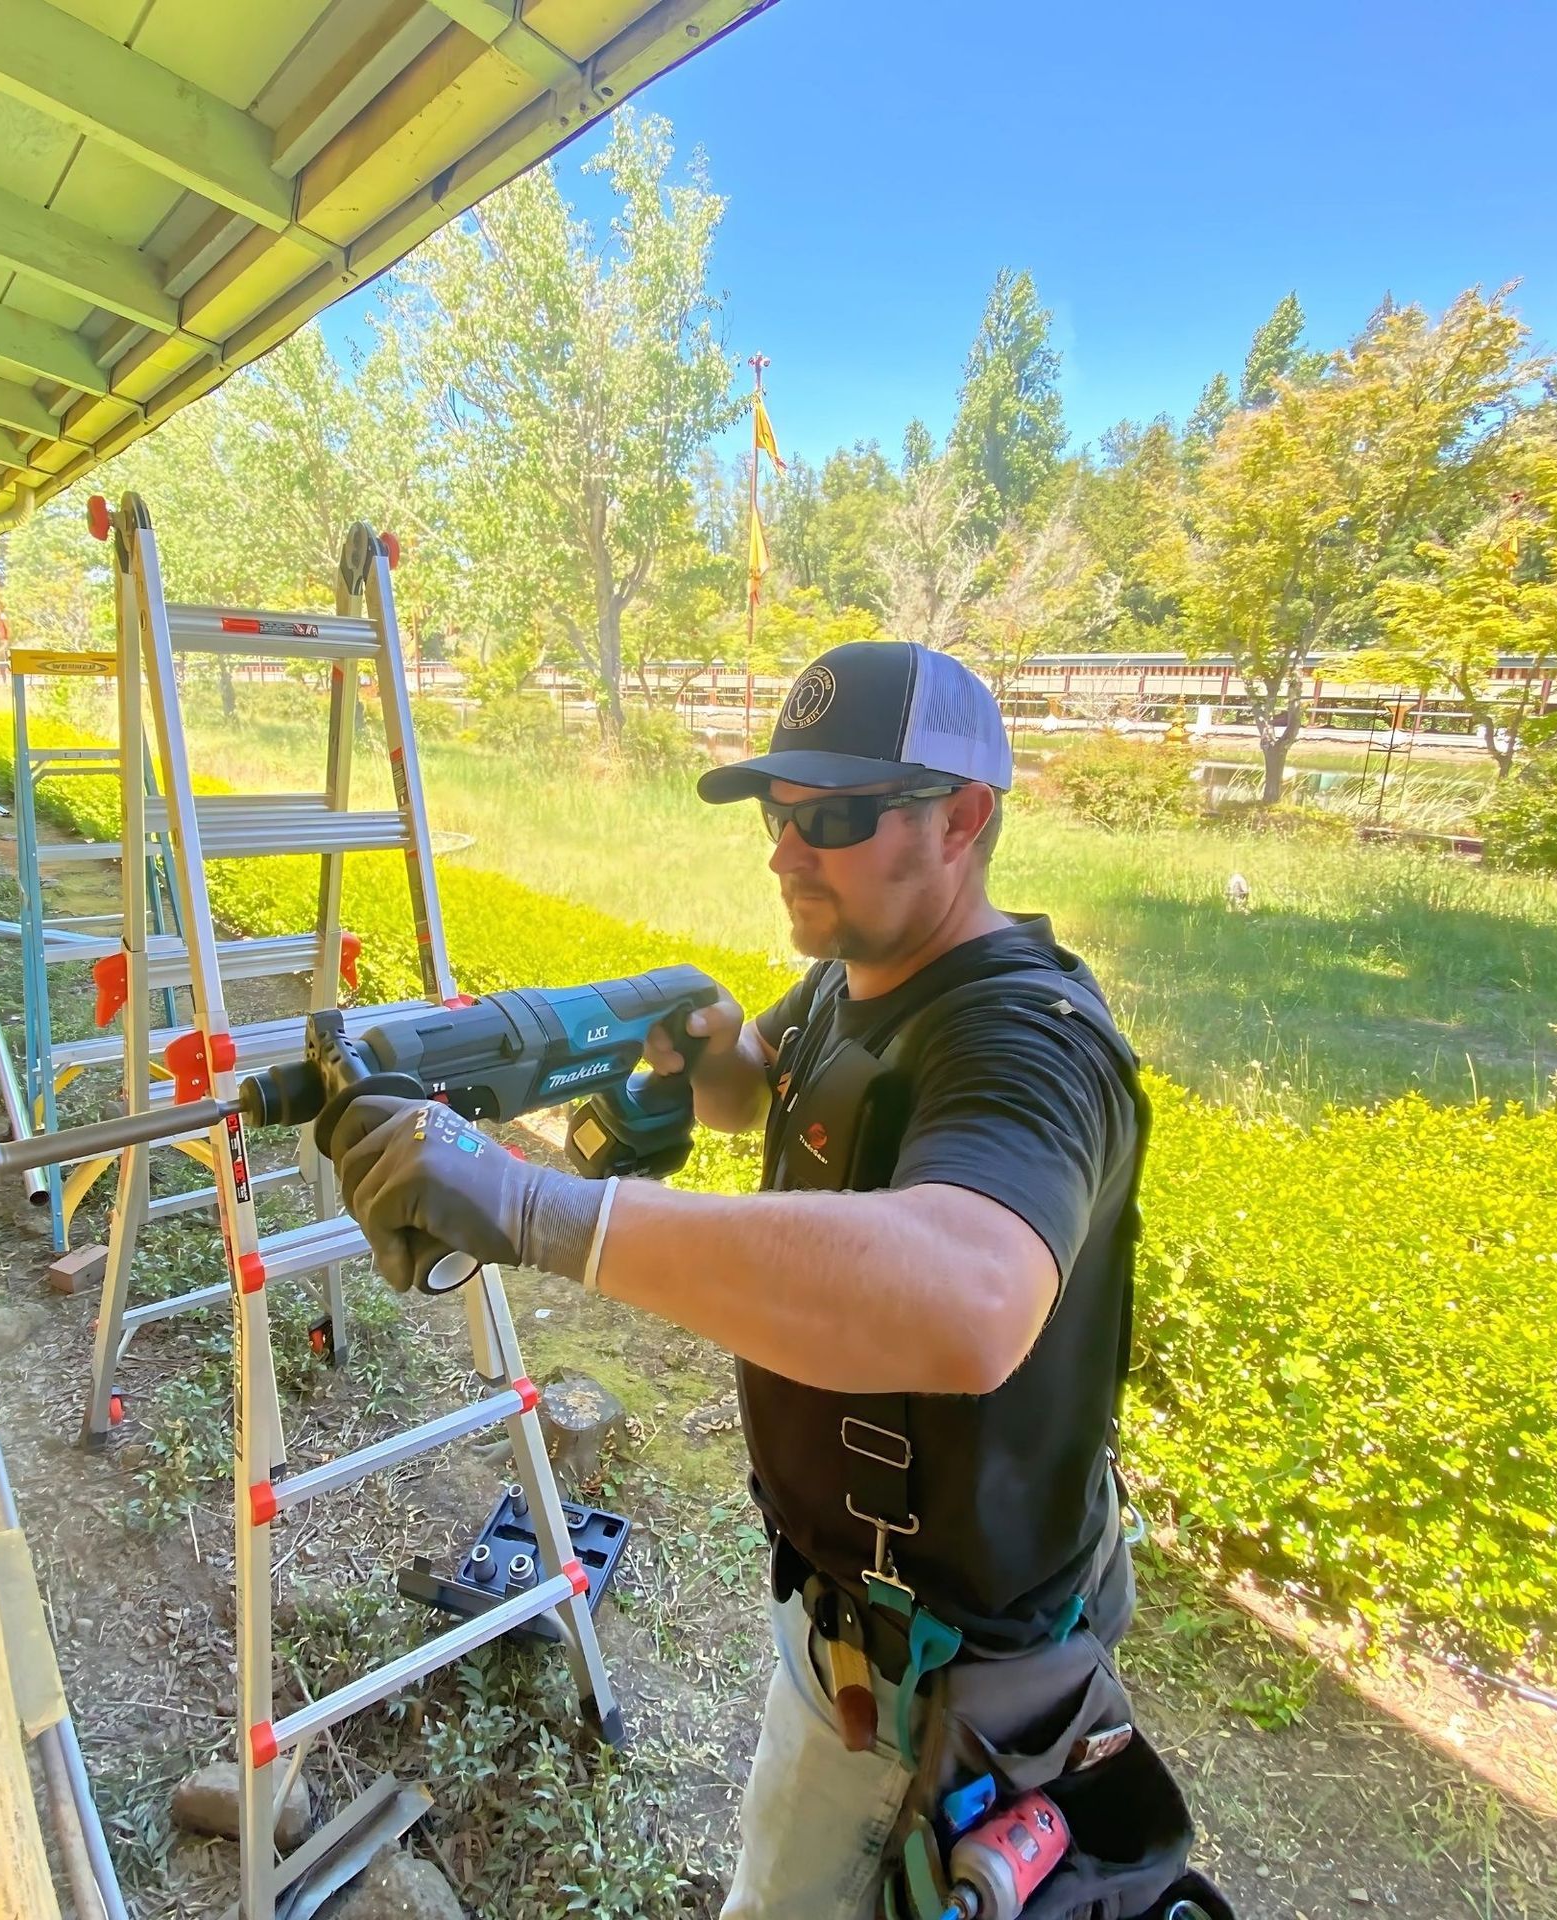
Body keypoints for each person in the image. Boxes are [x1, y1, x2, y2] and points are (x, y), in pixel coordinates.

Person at [326, 642, 1211, 1920]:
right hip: (849, 1607)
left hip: (928, 1672)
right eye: (777, 811)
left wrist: (544, 1208)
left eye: (836, 817)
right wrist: (721, 1059)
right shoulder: (863, 976)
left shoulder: (1024, 1042)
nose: (787, 848)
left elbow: (968, 1298)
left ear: (965, 817)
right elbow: (777, 1100)